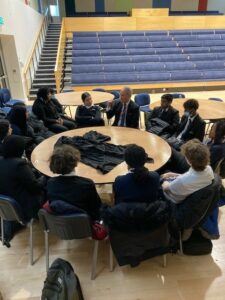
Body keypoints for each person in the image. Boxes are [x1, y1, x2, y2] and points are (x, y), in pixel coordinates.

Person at [47, 144, 102, 220]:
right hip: (85, 224)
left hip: (59, 225)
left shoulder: (51, 183)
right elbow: (96, 208)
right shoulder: (87, 184)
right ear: (75, 162)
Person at [0, 135, 44, 220]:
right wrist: (44, 178)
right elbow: (35, 188)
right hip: (21, 207)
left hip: (5, 207)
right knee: (46, 188)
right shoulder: (20, 165)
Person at [161, 139, 214, 204]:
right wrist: (172, 174)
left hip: (173, 199)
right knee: (168, 172)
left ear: (189, 161)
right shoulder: (209, 169)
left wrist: (164, 181)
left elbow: (165, 188)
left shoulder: (182, 180)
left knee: (158, 178)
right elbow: (190, 178)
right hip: (187, 192)